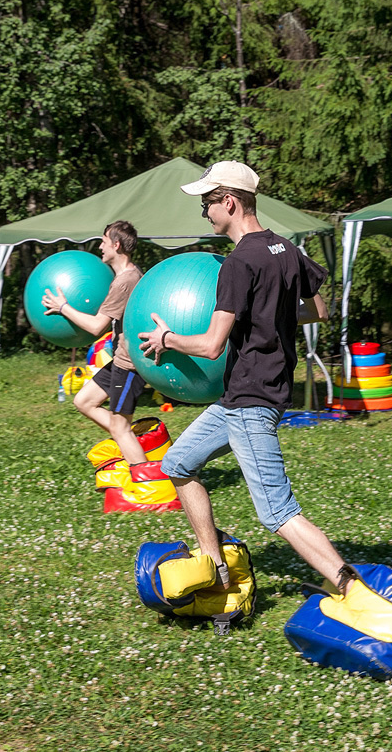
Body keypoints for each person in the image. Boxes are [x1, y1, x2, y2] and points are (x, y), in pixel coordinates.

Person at [139, 161, 356, 596]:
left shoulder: (237, 263)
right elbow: (318, 310)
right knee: (177, 464)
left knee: (278, 511)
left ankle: (352, 588)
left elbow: (212, 345)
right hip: (251, 393)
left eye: (207, 204)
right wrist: (269, 314)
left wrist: (167, 337)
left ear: (230, 202)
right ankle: (215, 566)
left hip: (251, 399)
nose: (205, 214)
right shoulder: (286, 249)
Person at [41, 221, 149, 467]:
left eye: (103, 241)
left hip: (130, 364)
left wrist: (63, 308)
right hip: (120, 359)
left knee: (120, 427)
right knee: (84, 401)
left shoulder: (126, 281)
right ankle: (127, 437)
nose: (100, 246)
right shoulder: (126, 275)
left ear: (116, 244)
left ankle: (149, 486)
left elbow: (96, 327)